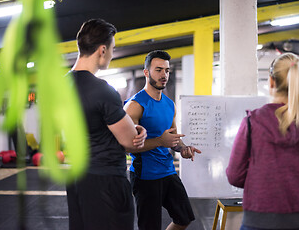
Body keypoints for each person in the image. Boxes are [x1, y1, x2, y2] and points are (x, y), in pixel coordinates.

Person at [226, 53, 299, 230]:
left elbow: (234, 175)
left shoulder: (252, 122)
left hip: (259, 218)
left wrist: (259, 181)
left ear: (271, 82)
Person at [65, 19, 148, 230]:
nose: (112, 53)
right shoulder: (102, 90)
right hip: (106, 181)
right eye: (113, 48)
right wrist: (138, 130)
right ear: (102, 49)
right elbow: (131, 142)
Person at [124, 50, 202, 230]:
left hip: (167, 171)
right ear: (146, 72)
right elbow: (129, 146)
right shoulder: (135, 106)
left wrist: (183, 148)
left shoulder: (169, 104)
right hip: (145, 176)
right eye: (158, 70)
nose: (164, 75)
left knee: (184, 218)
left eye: (167, 70)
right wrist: (160, 141)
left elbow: (173, 139)